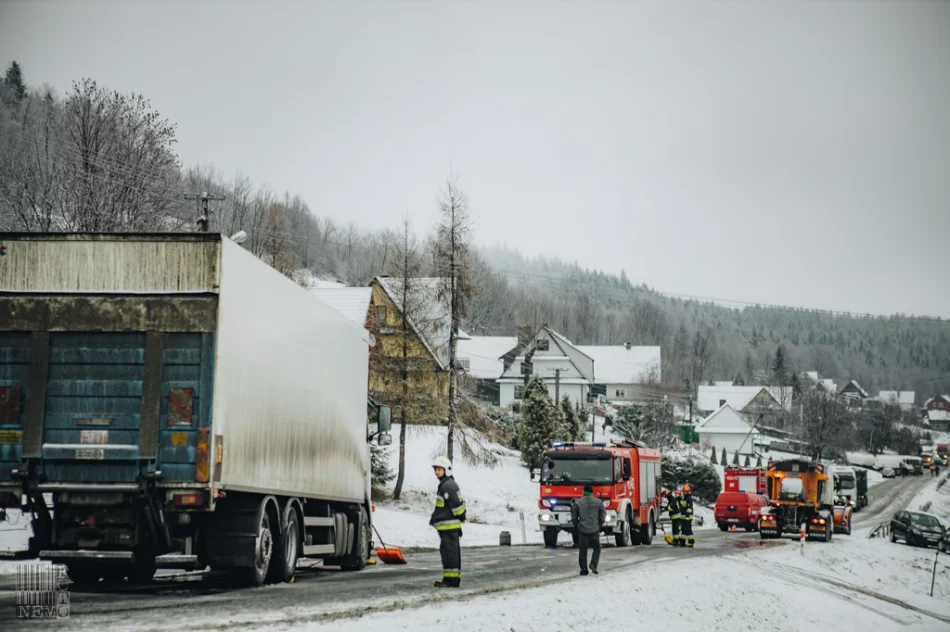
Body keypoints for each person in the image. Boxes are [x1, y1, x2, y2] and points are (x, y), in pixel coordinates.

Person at [429, 456, 466, 588]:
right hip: (447, 529)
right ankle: (449, 579)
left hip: (449, 529)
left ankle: (452, 581)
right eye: (436, 470)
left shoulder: (448, 485)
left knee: (450, 554)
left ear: (447, 470)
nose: (437, 472)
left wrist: (461, 516)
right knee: (447, 554)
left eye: (439, 469)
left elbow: (458, 507)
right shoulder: (446, 484)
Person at [571, 484, 605, 576]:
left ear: (583, 492)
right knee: (597, 548)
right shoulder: (598, 502)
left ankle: (584, 569)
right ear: (592, 492)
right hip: (594, 529)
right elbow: (602, 515)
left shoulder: (577, 502)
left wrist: (577, 525)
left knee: (583, 551)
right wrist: (599, 525)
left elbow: (574, 516)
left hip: (582, 530)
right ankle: (593, 564)